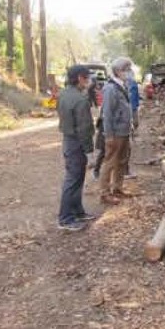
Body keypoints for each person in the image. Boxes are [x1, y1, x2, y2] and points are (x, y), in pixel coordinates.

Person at [57, 65, 96, 231]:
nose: (89, 81)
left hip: (68, 140)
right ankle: (65, 218)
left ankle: (77, 211)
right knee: (73, 180)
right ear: (80, 78)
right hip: (77, 143)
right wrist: (90, 151)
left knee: (78, 178)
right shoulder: (80, 100)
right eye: (87, 77)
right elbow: (85, 128)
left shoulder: (63, 94)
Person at [98, 57, 134, 204]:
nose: (129, 72)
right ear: (118, 71)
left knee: (122, 161)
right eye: (126, 69)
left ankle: (117, 188)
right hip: (115, 133)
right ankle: (104, 193)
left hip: (124, 131)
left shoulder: (123, 85)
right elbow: (107, 114)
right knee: (110, 162)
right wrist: (109, 136)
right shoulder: (110, 89)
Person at [124, 69, 140, 179]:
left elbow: (135, 95)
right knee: (124, 148)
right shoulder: (116, 87)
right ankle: (124, 171)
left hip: (132, 109)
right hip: (123, 121)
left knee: (136, 123)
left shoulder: (133, 83)